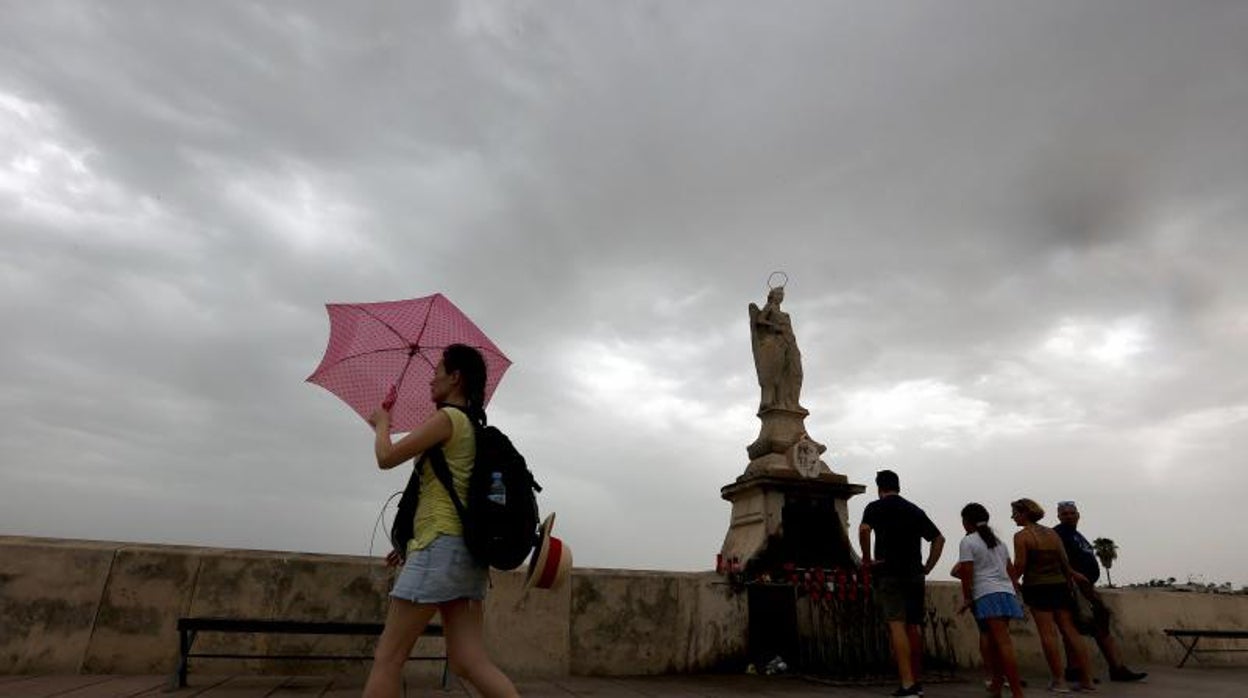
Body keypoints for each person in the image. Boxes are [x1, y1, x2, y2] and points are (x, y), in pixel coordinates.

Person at [363, 344, 519, 698]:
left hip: (439, 548)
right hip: (463, 554)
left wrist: (383, 424)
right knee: (469, 661)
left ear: (455, 377)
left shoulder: (449, 419)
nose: (430, 379)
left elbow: (386, 457)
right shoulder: (470, 427)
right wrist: (409, 544)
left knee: (388, 658)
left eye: (437, 370)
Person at [860, 469, 945, 697]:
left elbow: (864, 529)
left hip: (889, 572)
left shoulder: (875, 507)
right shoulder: (914, 509)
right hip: (914, 573)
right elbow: (938, 538)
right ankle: (916, 682)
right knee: (913, 626)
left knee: (896, 624)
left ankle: (907, 683)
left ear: (880, 488)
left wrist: (867, 559)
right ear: (898, 486)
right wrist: (928, 566)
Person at [1053, 500, 1148, 683]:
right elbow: (1058, 559)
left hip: (1088, 588)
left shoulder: (1076, 535)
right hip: (1074, 588)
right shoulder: (1059, 534)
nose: (1069, 516)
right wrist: (1073, 577)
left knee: (1099, 626)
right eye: (1064, 514)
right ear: (1058, 516)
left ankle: (1116, 668)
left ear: (1078, 514)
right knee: (1076, 628)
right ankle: (1076, 669)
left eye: (1072, 513)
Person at [1010, 498, 1092, 694]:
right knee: (1070, 632)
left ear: (1024, 514)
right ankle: (1088, 681)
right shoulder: (1052, 533)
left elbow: (1019, 566)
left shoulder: (1021, 536)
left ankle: (1059, 681)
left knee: (1048, 635)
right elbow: (1065, 563)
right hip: (1060, 586)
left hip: (1037, 588)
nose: (1012, 516)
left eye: (1015, 513)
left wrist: (1010, 581)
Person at [953, 503, 1025, 698]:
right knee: (997, 644)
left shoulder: (968, 542)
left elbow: (966, 573)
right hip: (1006, 593)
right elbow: (1011, 571)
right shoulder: (999, 542)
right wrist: (1016, 592)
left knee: (1002, 644)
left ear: (967, 522)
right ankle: (997, 686)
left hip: (987, 594)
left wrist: (968, 598)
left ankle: (1017, 691)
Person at [748, 284, 804, 412]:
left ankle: (793, 402)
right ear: (772, 296)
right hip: (779, 343)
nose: (781, 297)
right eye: (778, 294)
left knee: (796, 372)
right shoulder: (770, 307)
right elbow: (759, 320)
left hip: (790, 342)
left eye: (782, 295)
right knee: (778, 373)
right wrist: (773, 326)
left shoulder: (784, 314)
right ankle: (779, 402)